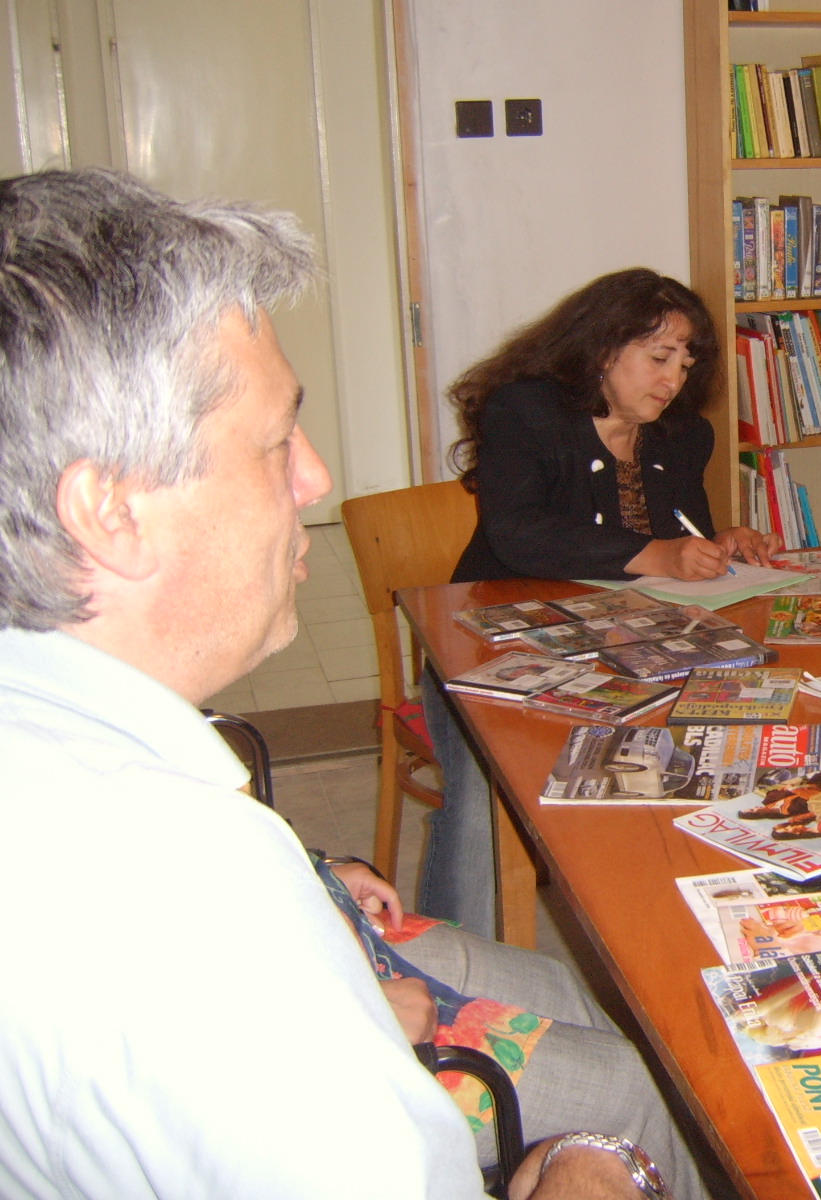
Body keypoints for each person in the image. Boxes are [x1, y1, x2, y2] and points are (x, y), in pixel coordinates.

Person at [0, 166, 711, 1199]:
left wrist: (316, 875)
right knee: (622, 1093)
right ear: (108, 510)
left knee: (567, 983)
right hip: (493, 668)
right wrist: (576, 1171)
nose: (316, 478)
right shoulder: (180, 902)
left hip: (341, 910)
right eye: (273, 441)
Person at [420, 269, 780, 936]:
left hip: (633, 649)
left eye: (685, 363)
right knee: (480, 791)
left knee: (729, 737)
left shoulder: (681, 435)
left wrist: (718, 544)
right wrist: (660, 556)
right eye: (659, 357)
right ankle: (445, 958)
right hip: (496, 644)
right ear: (603, 348)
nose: (673, 380)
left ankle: (680, 918)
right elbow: (520, 535)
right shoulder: (524, 412)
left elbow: (683, 537)